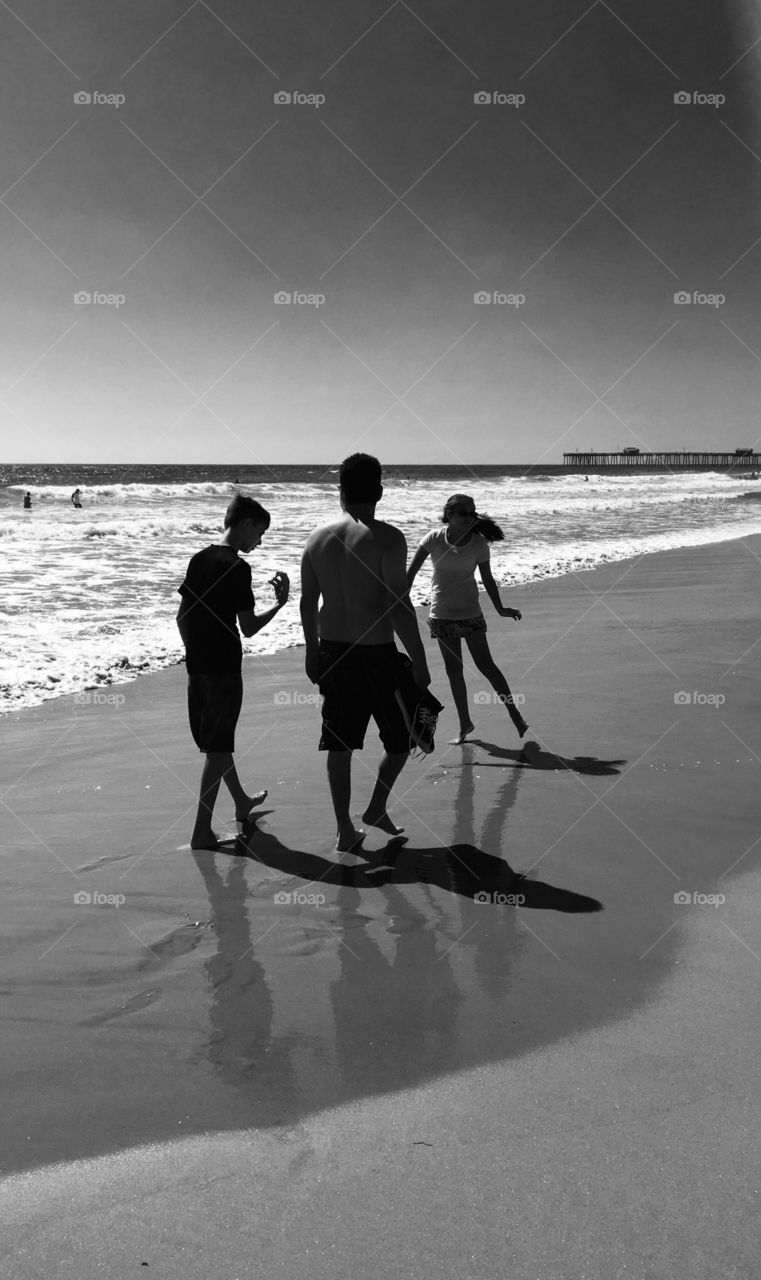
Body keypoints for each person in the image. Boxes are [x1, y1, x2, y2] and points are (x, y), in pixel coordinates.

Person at [300, 453, 432, 853]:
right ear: (379, 491)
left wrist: (311, 653)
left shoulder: (316, 538)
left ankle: (345, 829)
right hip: (376, 656)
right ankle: (375, 806)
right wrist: (420, 659)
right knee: (404, 738)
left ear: (340, 490)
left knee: (338, 743)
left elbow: (308, 602)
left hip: (332, 652)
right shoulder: (388, 538)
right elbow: (398, 604)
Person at [177, 494, 290, 850]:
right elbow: (249, 627)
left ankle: (241, 801)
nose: (260, 541)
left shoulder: (200, 558)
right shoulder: (238, 568)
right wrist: (280, 605)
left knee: (217, 743)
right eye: (260, 532)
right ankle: (201, 833)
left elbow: (182, 616)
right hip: (224, 667)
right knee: (217, 748)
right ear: (246, 523)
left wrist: (194, 651)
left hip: (197, 665)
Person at [407, 493, 528, 744]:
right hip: (442, 614)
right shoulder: (433, 539)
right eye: (464, 513)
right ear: (449, 515)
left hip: (470, 613)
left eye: (473, 513)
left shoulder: (478, 544)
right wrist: (396, 601)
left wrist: (500, 609)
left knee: (486, 665)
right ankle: (465, 724)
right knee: (454, 670)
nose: (469, 517)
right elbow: (409, 575)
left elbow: (488, 579)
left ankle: (514, 712)